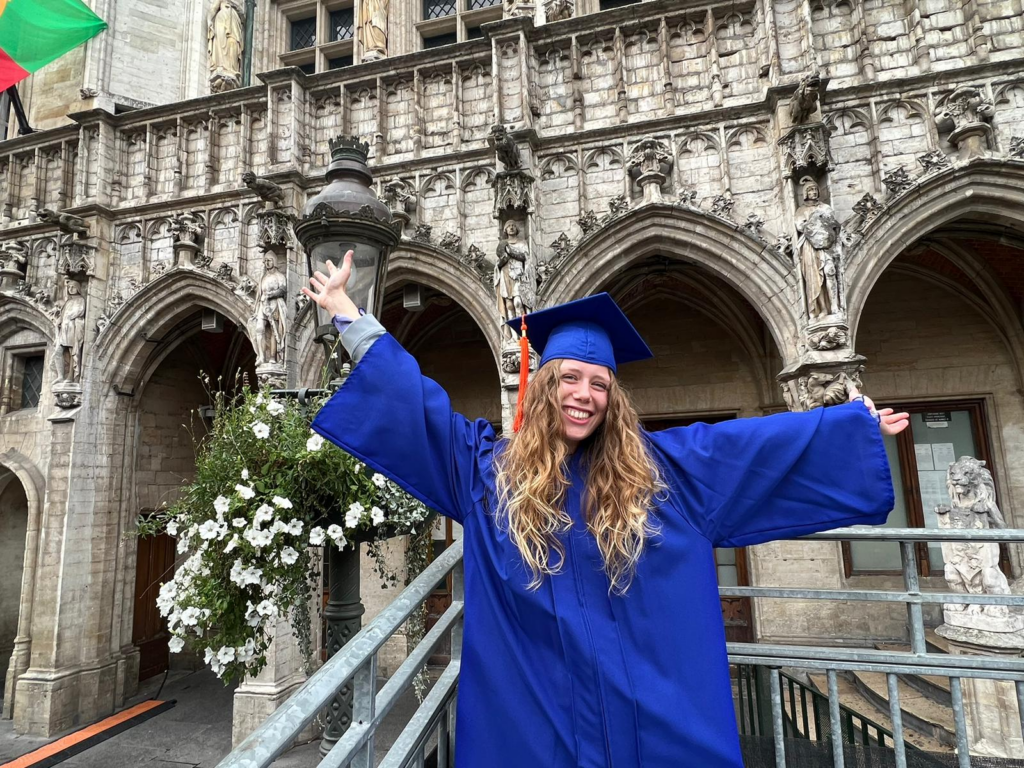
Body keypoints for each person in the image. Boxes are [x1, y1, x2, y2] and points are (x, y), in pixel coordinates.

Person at [304, 251, 908, 768]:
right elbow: (417, 407)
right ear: (545, 386)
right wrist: (349, 318)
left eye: (598, 384)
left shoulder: (660, 473)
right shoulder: (487, 471)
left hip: (639, 709)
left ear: (612, 396)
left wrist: (853, 428)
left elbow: (749, 448)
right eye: (569, 379)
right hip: (537, 710)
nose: (583, 396)